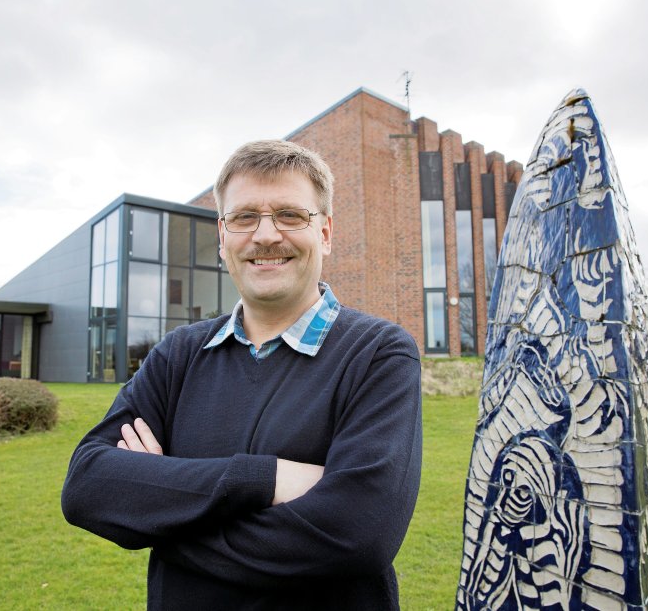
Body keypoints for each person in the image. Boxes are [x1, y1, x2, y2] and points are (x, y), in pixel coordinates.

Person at [61, 139, 422, 610]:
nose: (266, 235)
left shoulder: (379, 354)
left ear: (326, 233)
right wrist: (264, 478)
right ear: (223, 236)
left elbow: (358, 534)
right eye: (245, 217)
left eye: (291, 215)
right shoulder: (178, 355)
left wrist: (163, 512)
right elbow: (88, 486)